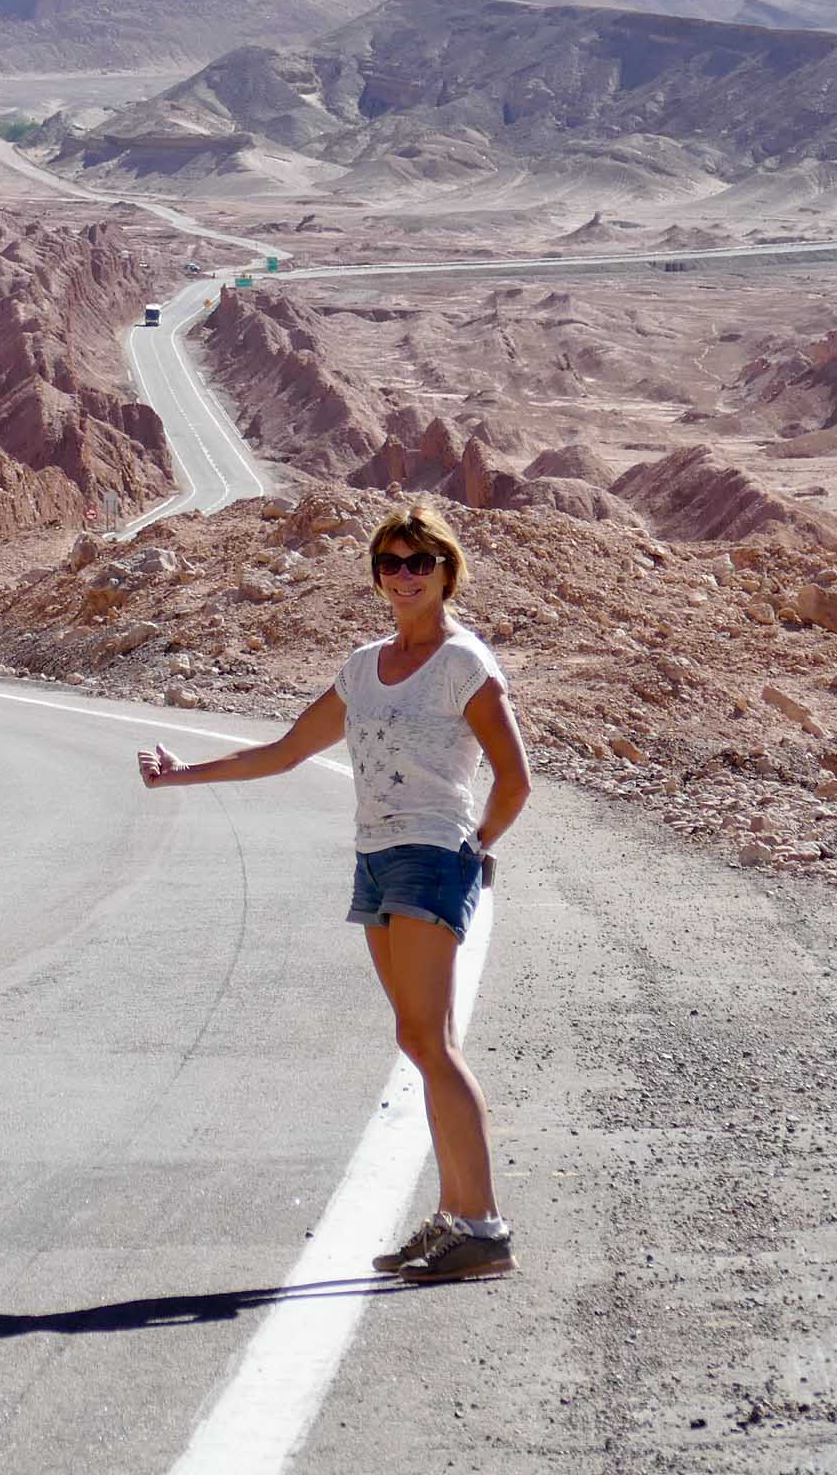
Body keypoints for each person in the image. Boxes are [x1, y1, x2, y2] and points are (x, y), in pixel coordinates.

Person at [136, 502, 529, 1284]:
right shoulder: (364, 666)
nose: (404, 575)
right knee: (421, 1042)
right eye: (390, 561)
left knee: (432, 1045)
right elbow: (286, 751)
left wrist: (472, 847)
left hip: (429, 852)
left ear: (448, 570)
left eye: (421, 561)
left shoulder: (464, 664)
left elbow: (516, 782)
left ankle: (483, 1227)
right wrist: (185, 776)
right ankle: (457, 1217)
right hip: (376, 857)